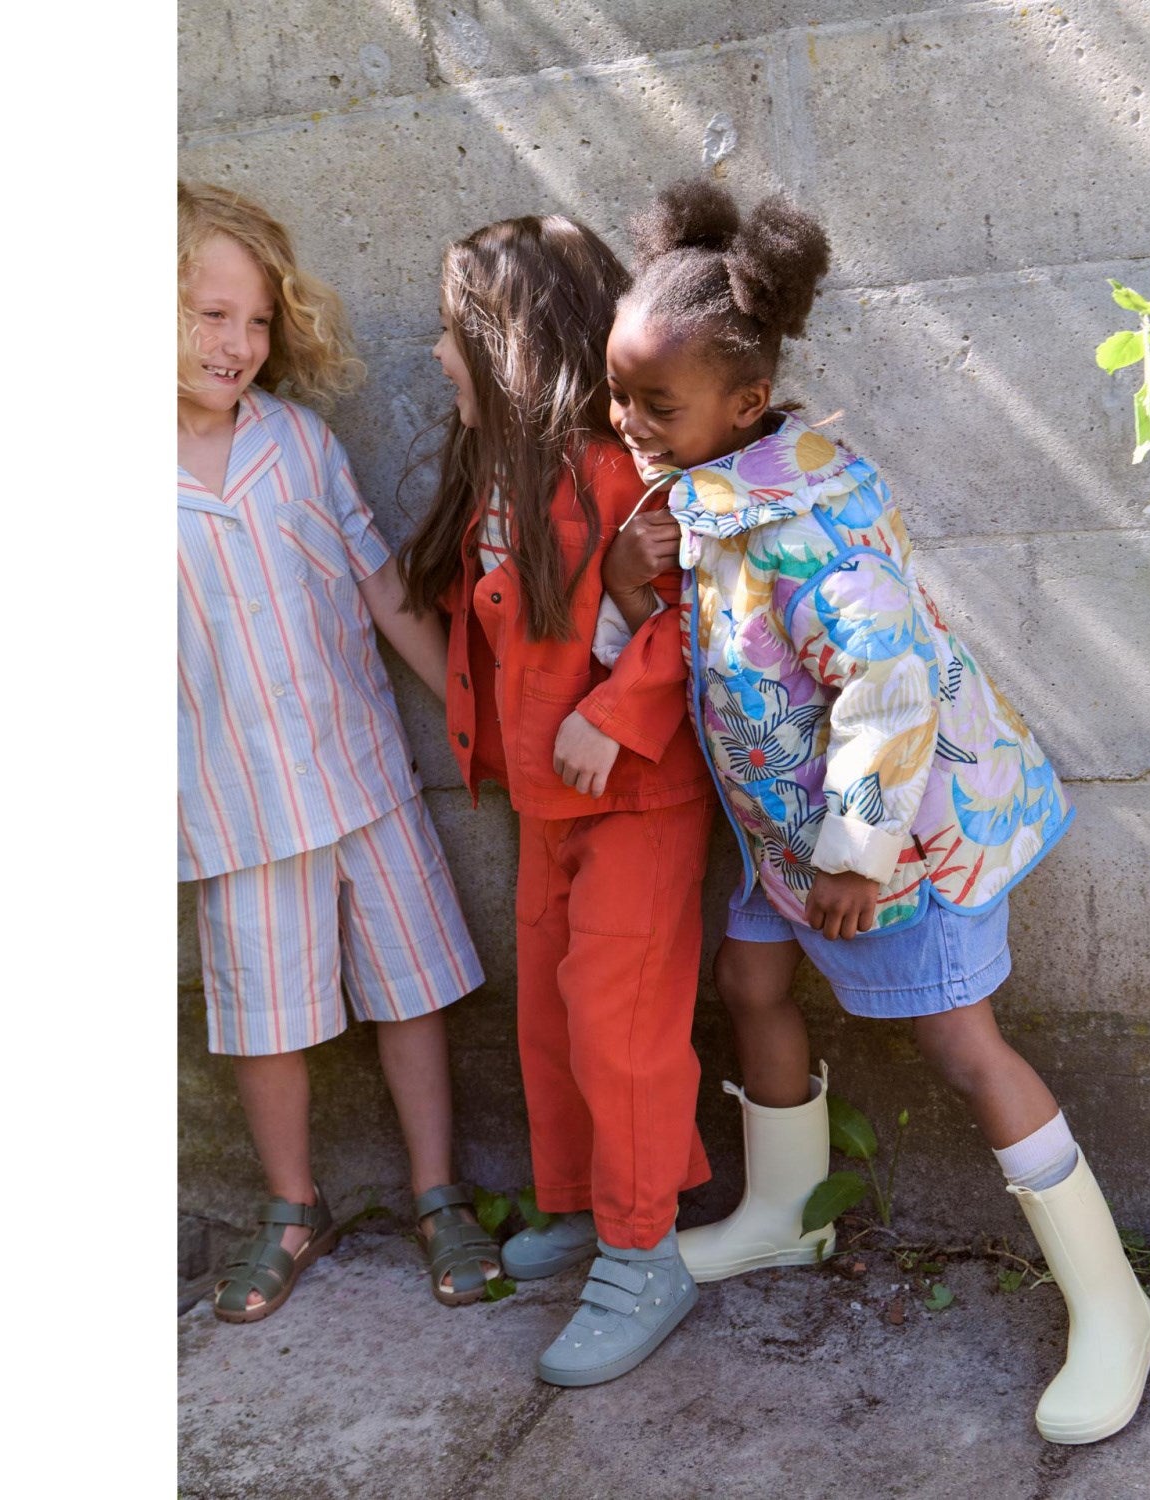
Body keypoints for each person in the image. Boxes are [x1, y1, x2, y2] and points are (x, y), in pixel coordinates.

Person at [598, 179, 1150, 1445]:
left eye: (655, 404)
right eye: (619, 393)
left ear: (746, 402)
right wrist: (632, 581)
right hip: (788, 837)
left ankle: (1114, 1303)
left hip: (904, 843)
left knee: (966, 1048)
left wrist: (857, 855)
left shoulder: (805, 529)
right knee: (750, 984)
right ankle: (783, 1217)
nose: (627, 421)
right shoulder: (716, 491)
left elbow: (890, 687)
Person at [396, 215, 717, 1387]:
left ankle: (644, 1255)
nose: (437, 355)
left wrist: (615, 712)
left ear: (511, 348)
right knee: (553, 1022)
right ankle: (584, 1203)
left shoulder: (618, 474)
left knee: (618, 1033)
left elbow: (698, 622)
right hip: (548, 808)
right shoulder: (505, 473)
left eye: (453, 333)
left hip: (634, 801)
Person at [178, 182, 499, 1321]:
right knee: (265, 1018)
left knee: (411, 987)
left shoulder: (299, 445)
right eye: (211, 315)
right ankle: (291, 1206)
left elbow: (383, 589)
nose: (238, 344)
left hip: (360, 775)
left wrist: (476, 714)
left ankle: (437, 1192)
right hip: (236, 806)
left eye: (258, 322)